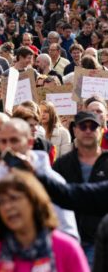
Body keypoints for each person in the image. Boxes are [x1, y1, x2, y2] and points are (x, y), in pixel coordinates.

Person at [0, 118, 79, 244]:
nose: (8, 147)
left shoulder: (52, 180)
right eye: (3, 141)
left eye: (14, 140)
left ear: (30, 142)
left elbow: (68, 231)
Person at [0, 170, 89, 272]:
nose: (7, 207)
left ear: (34, 201)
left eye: (14, 198)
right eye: (1, 202)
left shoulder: (66, 248)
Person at [52, 111, 108, 266]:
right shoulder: (62, 164)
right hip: (69, 237)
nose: (88, 131)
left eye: (93, 127)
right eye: (83, 126)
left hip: (101, 239)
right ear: (75, 130)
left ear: (102, 130)